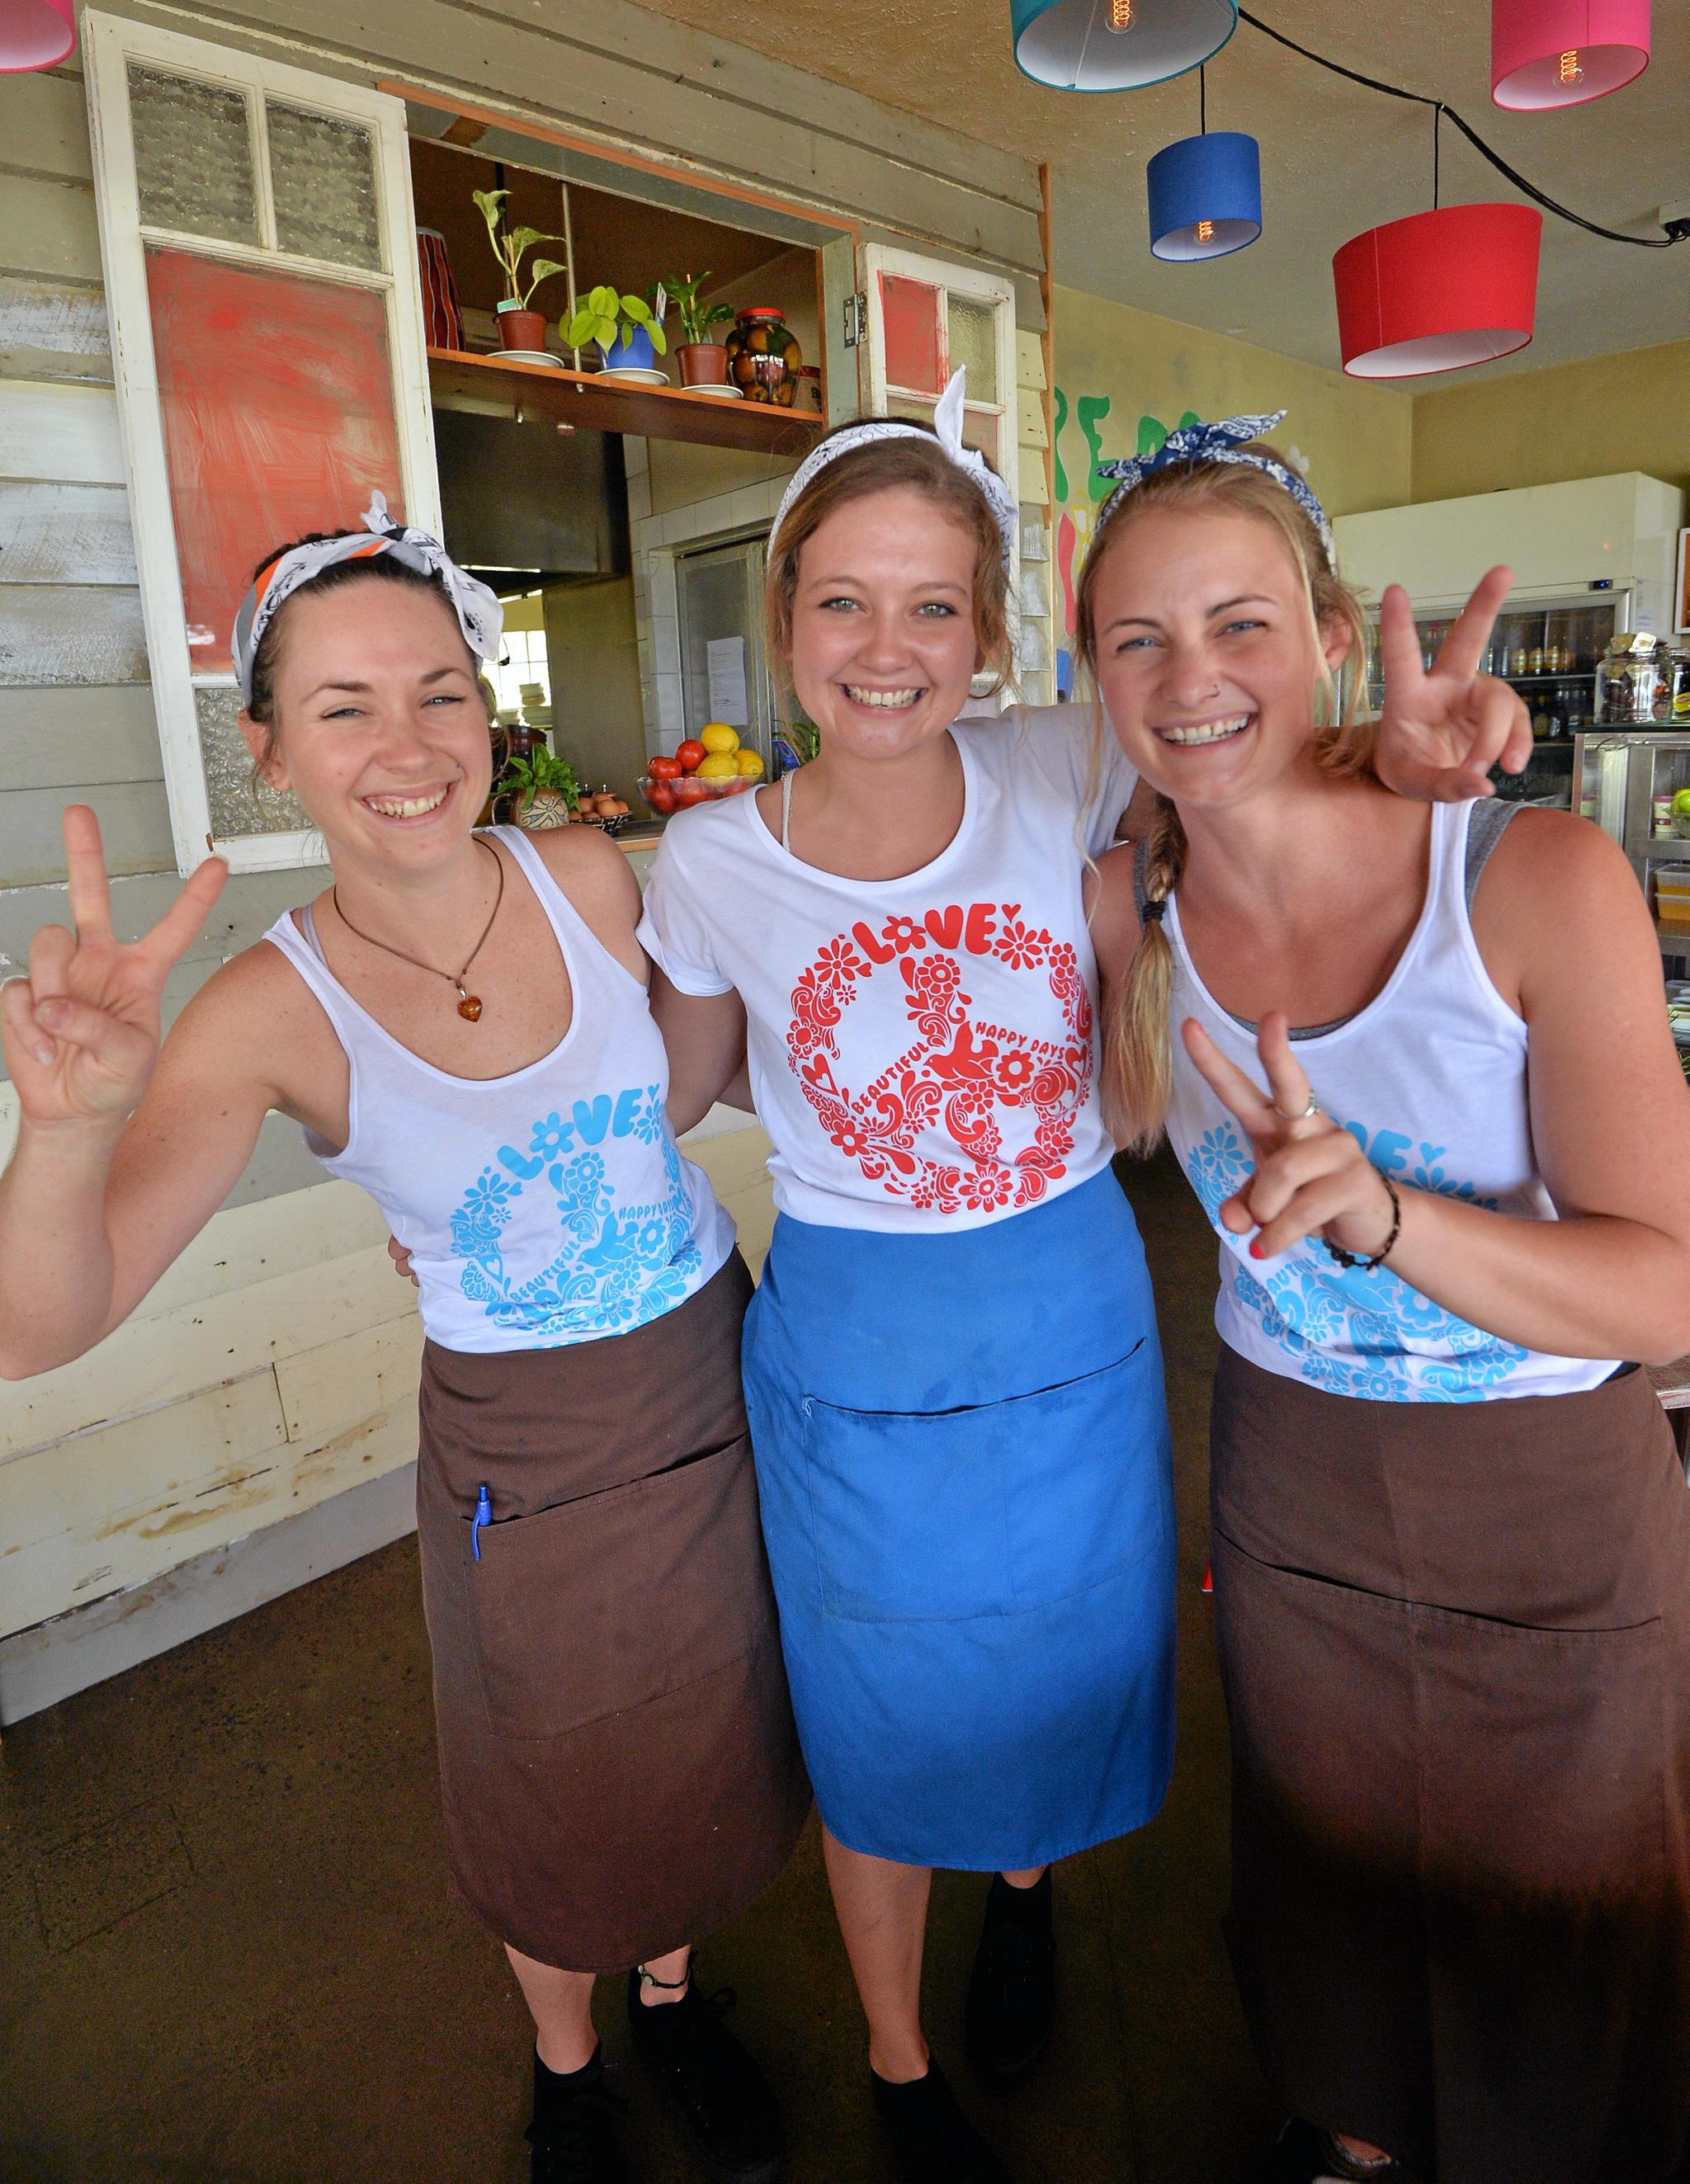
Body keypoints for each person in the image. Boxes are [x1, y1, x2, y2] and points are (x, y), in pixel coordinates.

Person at [636, 380, 1533, 2184]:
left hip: (1065, 1299)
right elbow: (672, 1089)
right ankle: (897, 2065)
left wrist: (1406, 761)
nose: (887, 650)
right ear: (784, 613)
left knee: (1058, 1654)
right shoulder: (712, 858)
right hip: (855, 1327)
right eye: (843, 602)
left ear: (988, 633)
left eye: (934, 607)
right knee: (873, 1696)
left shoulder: (1061, 757)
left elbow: (1247, 753)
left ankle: (1026, 1893)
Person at [0, 509, 809, 2184]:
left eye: (440, 693)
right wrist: (69, 1129)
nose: (409, 746)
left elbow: (646, 1110)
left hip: (706, 1372)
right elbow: (40, 1330)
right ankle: (571, 2069)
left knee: (712, 1723)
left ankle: (672, 1999)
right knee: (549, 1771)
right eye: (347, 706)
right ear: (268, 747)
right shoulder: (264, 1013)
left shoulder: (587, 876)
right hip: (522, 1445)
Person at [1076, 417, 1690, 2184]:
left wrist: (1384, 1214)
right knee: (1324, 1872)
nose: (1191, 679)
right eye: (1140, 639)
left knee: (1560, 1903)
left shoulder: (1526, 882)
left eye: (1241, 623)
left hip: (1546, 1507)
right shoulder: (1132, 902)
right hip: (1291, 1479)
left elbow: (1663, 1294)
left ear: (1333, 630)